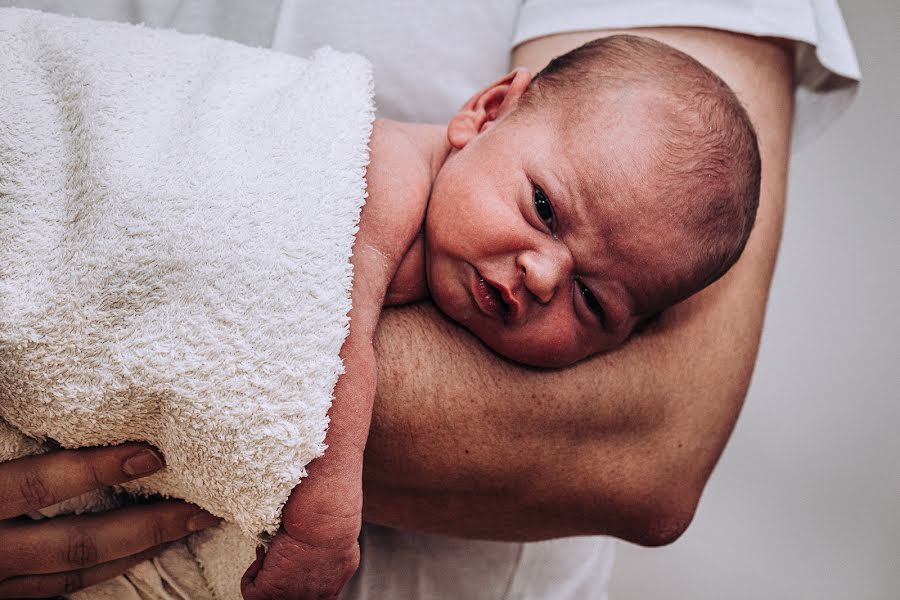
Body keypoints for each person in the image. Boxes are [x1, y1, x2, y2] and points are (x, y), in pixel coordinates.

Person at [0, 1, 859, 599]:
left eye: (595, 305)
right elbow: (323, 339)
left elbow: (655, 453)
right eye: (546, 209)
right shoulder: (379, 169)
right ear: (484, 115)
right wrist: (326, 513)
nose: (543, 275)